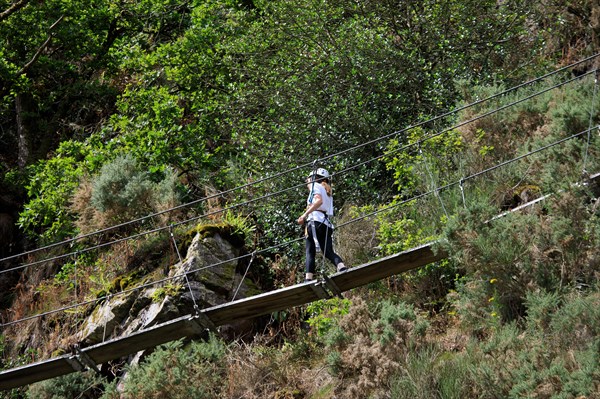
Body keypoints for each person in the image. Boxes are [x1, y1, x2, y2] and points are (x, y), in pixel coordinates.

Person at [297, 167, 347, 282]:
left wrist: (304, 215)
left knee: (310, 251)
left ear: (314, 178)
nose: (307, 182)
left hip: (315, 221)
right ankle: (341, 267)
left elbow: (318, 201)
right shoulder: (328, 192)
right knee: (328, 251)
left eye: (308, 179)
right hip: (326, 224)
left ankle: (308, 279)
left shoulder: (315, 187)